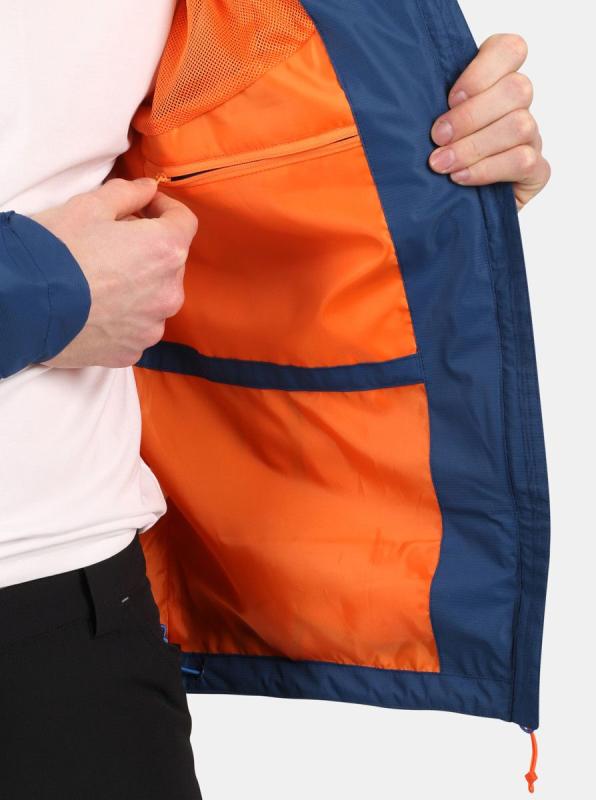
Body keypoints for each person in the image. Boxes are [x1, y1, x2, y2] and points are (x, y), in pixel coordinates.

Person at [0, 2, 550, 797]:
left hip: (78, 613)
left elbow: (185, 167)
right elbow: (60, 267)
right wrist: (44, 287)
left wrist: (426, 183)